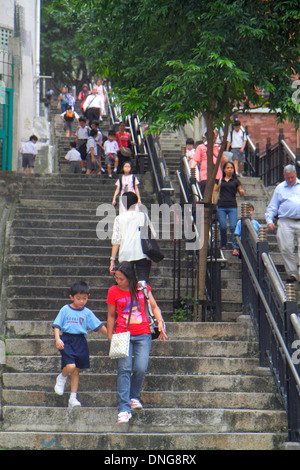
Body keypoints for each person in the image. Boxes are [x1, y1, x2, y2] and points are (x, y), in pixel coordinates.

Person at [107, 261, 167, 423]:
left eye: (121, 279)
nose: (117, 281)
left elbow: (154, 307)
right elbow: (111, 315)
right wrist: (110, 336)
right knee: (124, 369)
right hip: (122, 334)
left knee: (141, 368)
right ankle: (124, 409)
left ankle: (134, 396)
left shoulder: (142, 287)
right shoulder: (113, 291)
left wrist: (160, 322)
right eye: (116, 278)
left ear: (130, 278)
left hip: (143, 334)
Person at [53, 281, 107, 408]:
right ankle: (62, 376)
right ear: (71, 297)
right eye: (78, 298)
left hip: (80, 341)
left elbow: (99, 326)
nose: (81, 301)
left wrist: (112, 336)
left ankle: (73, 397)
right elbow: (57, 325)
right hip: (66, 340)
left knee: (76, 371)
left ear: (88, 296)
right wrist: (57, 339)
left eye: (84, 298)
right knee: (70, 366)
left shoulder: (87, 312)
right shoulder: (65, 309)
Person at [265, 164, 300, 283]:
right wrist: (269, 220)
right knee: (285, 248)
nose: (290, 180)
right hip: (285, 220)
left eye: (292, 177)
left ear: (295, 175)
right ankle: (292, 273)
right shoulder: (280, 188)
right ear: (284, 176)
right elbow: (272, 206)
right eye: (287, 178)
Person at [110, 191, 151, 283]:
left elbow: (116, 241)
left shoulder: (119, 219)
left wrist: (112, 260)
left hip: (125, 254)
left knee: (128, 285)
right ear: (136, 202)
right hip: (142, 253)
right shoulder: (143, 216)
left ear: (123, 203)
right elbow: (150, 236)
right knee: (143, 285)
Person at [216, 161, 244, 255]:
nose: (229, 169)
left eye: (231, 168)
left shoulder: (236, 181)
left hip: (232, 205)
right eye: (227, 168)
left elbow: (240, 190)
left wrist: (241, 192)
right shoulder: (220, 180)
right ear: (224, 169)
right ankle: (223, 244)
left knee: (233, 226)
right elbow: (214, 191)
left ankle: (235, 246)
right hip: (221, 206)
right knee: (223, 226)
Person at [190, 130, 226, 196]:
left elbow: (223, 162)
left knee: (216, 195)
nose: (213, 139)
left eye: (215, 137)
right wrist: (192, 171)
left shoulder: (218, 148)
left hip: (217, 176)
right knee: (205, 194)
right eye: (212, 137)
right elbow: (195, 160)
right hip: (205, 176)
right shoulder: (201, 147)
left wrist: (220, 152)